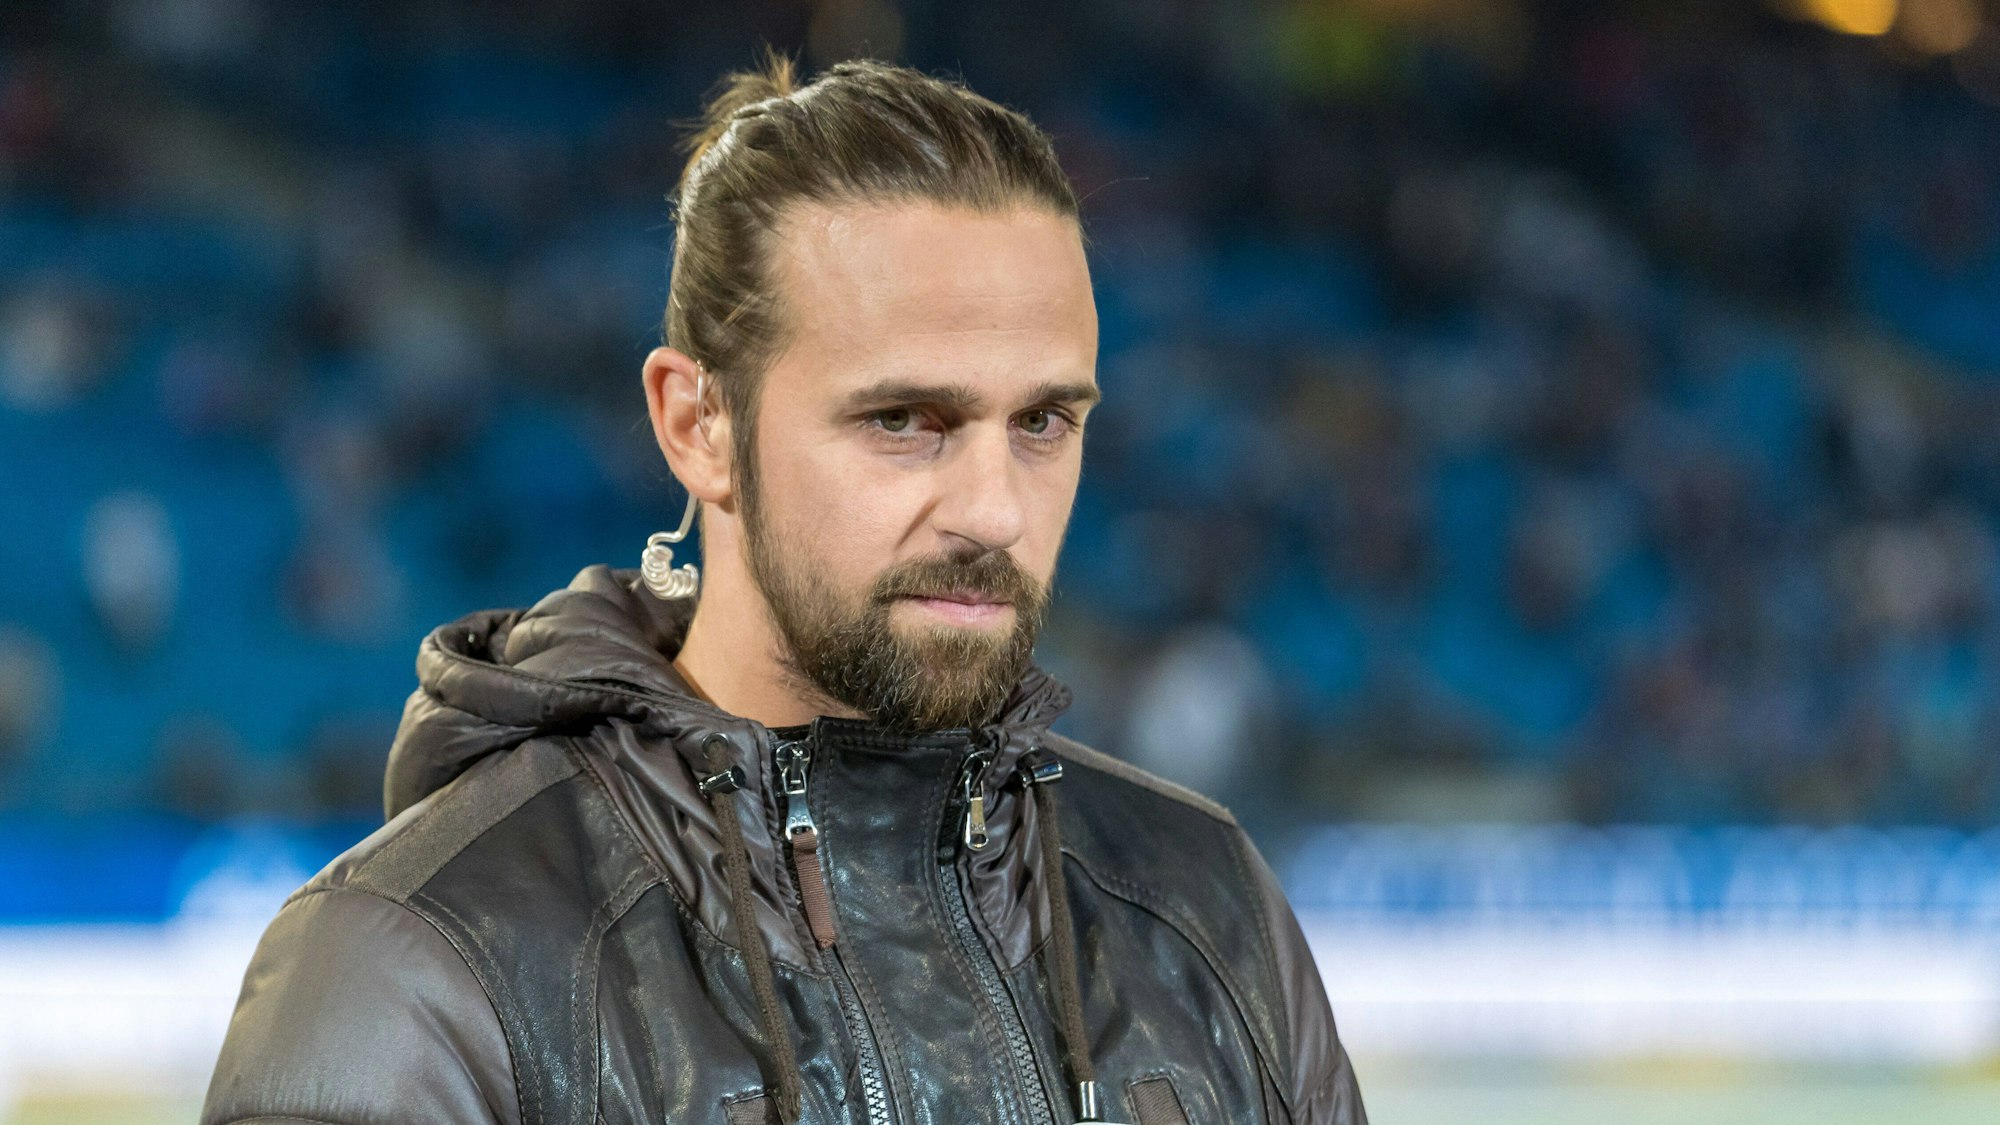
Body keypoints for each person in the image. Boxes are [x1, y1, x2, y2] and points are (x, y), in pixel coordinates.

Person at [202, 54, 1366, 1125]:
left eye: (1042, 423)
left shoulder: (1208, 905)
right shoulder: (417, 963)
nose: (994, 512)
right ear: (697, 425)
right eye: (903, 420)